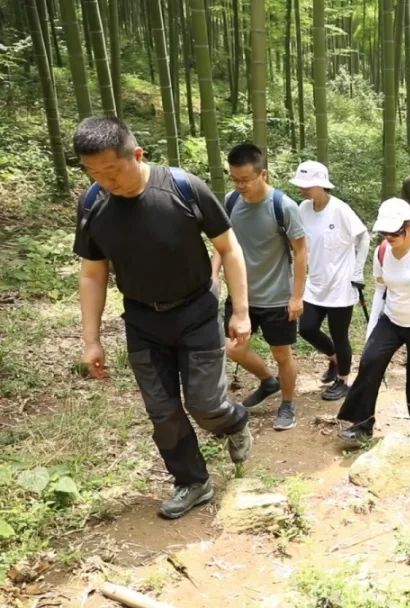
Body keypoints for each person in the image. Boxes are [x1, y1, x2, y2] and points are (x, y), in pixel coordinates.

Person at [73, 116, 252, 519]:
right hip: (142, 320)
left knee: (205, 405)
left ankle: (235, 421)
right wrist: (91, 339)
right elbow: (93, 274)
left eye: (112, 170)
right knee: (163, 411)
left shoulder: (183, 187)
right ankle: (192, 481)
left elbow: (229, 248)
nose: (105, 181)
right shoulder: (93, 203)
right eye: (93, 173)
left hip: (197, 311)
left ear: (137, 154)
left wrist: (240, 311)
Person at [337, 198, 410, 445]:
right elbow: (380, 290)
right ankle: (361, 425)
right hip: (392, 319)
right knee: (370, 361)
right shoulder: (382, 252)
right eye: (385, 233)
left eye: (395, 232)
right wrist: (371, 328)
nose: (390, 237)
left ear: (409, 227)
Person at [215, 144, 307, 432]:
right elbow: (222, 244)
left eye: (245, 179)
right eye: (234, 179)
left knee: (282, 354)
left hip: (276, 297)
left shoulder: (283, 206)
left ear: (263, 174)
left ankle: (287, 403)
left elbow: (301, 252)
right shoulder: (231, 202)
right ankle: (268, 381)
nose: (239, 185)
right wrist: (213, 274)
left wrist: (297, 296)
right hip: (240, 295)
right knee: (232, 348)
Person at [291, 160, 369, 402]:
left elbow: (363, 237)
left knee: (339, 334)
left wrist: (357, 271)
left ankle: (344, 380)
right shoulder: (303, 208)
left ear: (321, 185)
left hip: (340, 286)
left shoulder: (340, 209)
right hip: (315, 283)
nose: (302, 189)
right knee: (307, 328)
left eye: (307, 185)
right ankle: (335, 359)